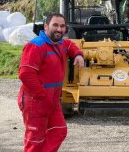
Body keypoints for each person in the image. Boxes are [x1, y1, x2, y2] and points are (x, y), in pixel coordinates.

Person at [17, 12, 84, 152]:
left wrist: (78, 55)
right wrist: (42, 96)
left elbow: (70, 45)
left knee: (59, 131)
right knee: (35, 141)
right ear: (46, 26)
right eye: (55, 25)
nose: (59, 29)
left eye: (62, 26)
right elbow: (26, 74)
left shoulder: (60, 43)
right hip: (35, 100)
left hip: (51, 101)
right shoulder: (36, 46)